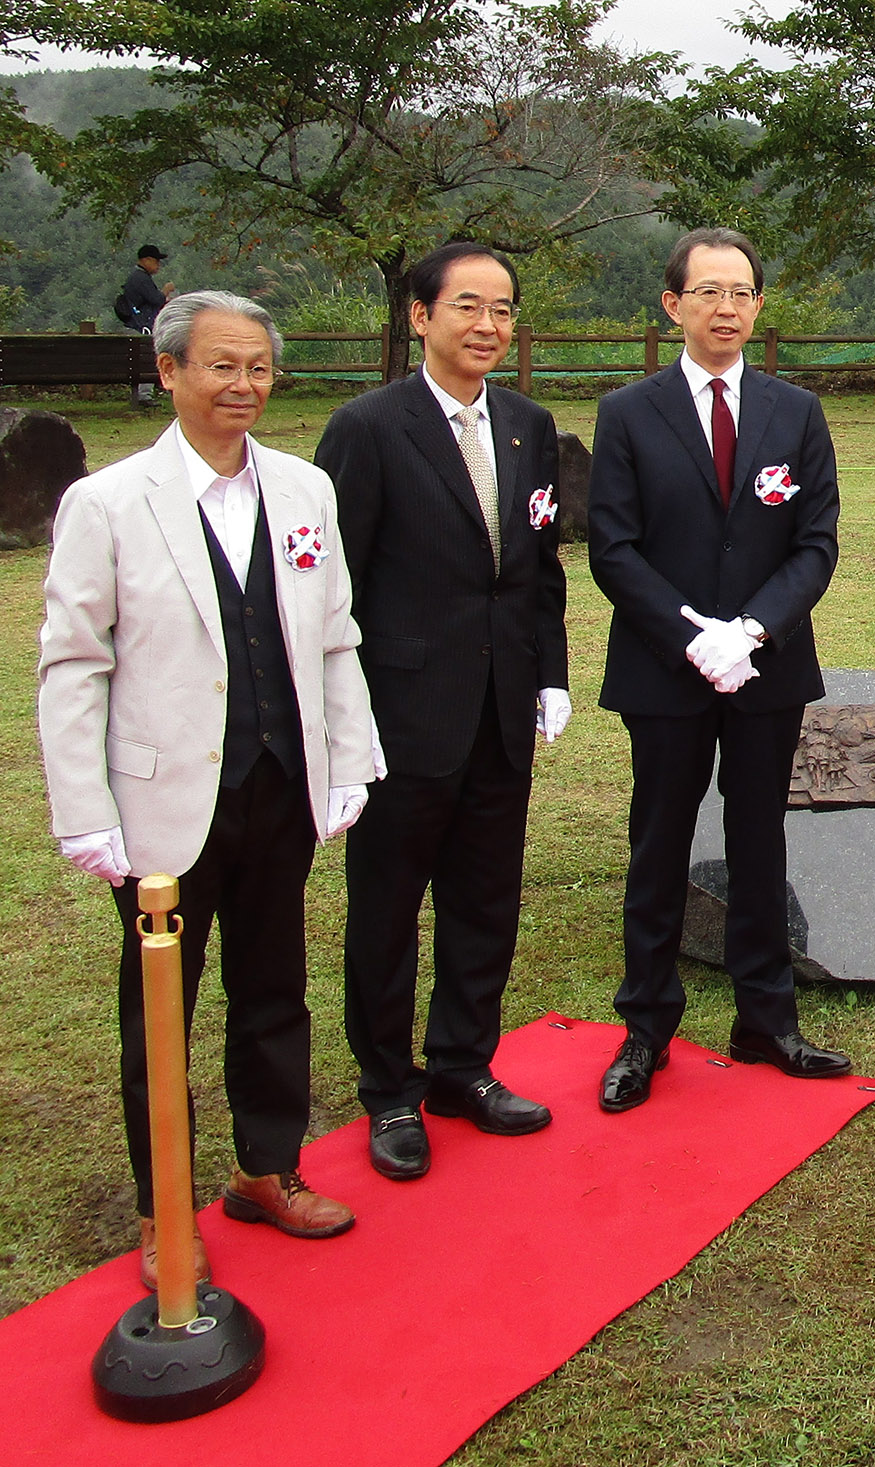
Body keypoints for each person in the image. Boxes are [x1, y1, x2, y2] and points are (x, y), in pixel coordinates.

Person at [38, 290, 376, 1285]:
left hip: (280, 787)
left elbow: (334, 636)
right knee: (161, 1009)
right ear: (171, 373)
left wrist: (349, 760)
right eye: (220, 366)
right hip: (161, 806)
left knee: (273, 986)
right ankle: (160, 1209)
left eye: (258, 367)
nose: (242, 385)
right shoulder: (108, 502)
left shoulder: (305, 490)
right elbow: (72, 665)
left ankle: (267, 1168)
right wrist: (85, 813)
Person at [315, 242, 570, 1182]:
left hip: (503, 711)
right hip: (403, 713)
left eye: (504, 309)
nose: (489, 327)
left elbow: (538, 564)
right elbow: (334, 588)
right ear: (420, 316)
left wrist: (549, 670)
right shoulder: (368, 427)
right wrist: (344, 720)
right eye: (469, 306)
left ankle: (464, 1064)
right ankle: (388, 1088)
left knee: (484, 899)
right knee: (386, 908)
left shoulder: (528, 425)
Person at [588, 226, 847, 1111]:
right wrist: (692, 635)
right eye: (707, 291)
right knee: (658, 842)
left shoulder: (794, 411)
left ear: (759, 305)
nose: (725, 307)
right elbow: (612, 548)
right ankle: (647, 1027)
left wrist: (754, 630)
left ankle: (765, 1018)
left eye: (741, 292)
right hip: (666, 670)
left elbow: (815, 543)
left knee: (759, 836)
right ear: (673, 305)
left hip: (767, 669)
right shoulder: (627, 412)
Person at [118, 245, 173, 404]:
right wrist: (166, 290)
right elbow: (156, 299)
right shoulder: (141, 278)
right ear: (146, 260)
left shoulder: (137, 278)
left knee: (141, 359)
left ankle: (144, 394)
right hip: (140, 327)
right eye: (156, 261)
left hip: (134, 324)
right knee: (147, 358)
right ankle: (144, 396)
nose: (158, 266)